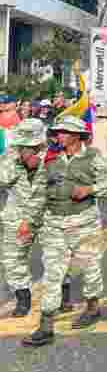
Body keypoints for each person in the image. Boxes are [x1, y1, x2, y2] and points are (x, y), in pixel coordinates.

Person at [21, 116, 107, 344]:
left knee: (90, 268)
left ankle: (93, 308)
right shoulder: (51, 159)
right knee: (52, 274)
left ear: (77, 135)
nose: (59, 136)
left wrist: (90, 189)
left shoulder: (93, 156)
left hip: (84, 222)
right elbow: (39, 193)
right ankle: (46, 326)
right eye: (57, 132)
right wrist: (28, 221)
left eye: (64, 132)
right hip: (54, 224)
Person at [0, 119, 49, 317]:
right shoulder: (11, 156)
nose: (25, 149)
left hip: (47, 215)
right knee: (13, 259)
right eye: (22, 145)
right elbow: (2, 179)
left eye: (29, 146)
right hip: (16, 216)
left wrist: (39, 164)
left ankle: (64, 295)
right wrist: (16, 160)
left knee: (56, 257)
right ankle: (23, 297)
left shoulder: (53, 157)